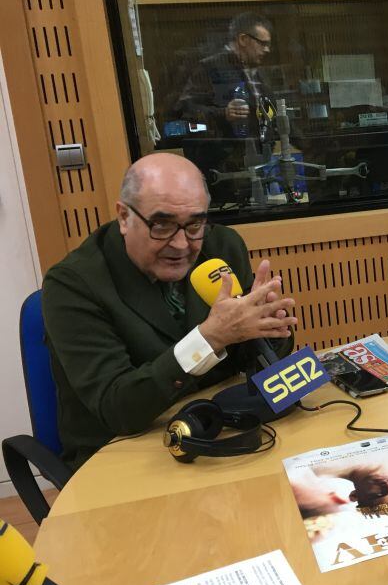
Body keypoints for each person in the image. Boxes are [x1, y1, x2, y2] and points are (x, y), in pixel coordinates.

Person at [42, 153, 297, 470]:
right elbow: (117, 409)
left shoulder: (221, 247)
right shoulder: (73, 285)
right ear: (124, 217)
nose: (181, 244)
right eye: (161, 225)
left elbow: (254, 359)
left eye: (194, 224)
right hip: (120, 456)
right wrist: (208, 339)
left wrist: (267, 326)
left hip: (217, 430)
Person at [175, 13, 276, 140]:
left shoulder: (258, 73)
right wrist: (223, 113)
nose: (267, 50)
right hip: (225, 154)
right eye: (263, 43)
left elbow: (273, 114)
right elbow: (186, 109)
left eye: (268, 45)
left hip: (263, 153)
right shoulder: (210, 67)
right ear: (243, 39)